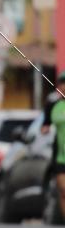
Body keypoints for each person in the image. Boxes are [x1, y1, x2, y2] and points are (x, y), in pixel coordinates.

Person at [41, 71, 65, 219]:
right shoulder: (52, 105)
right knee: (63, 191)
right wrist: (44, 129)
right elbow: (45, 125)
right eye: (62, 84)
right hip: (61, 155)